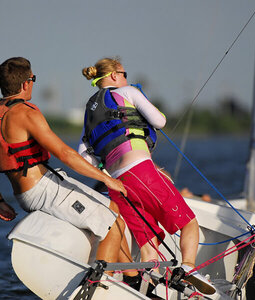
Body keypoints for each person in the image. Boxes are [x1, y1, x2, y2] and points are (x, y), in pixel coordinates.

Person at [0, 57, 140, 282]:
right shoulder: (27, 114)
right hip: (43, 190)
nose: (33, 83)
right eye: (33, 79)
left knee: (112, 208)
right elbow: (66, 154)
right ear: (25, 83)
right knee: (113, 225)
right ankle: (101, 287)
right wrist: (107, 180)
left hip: (29, 192)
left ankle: (132, 277)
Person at [78, 57, 215, 295]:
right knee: (189, 223)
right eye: (124, 73)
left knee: (148, 245)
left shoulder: (90, 112)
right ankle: (189, 269)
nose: (127, 79)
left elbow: (84, 157)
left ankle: (148, 288)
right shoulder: (127, 91)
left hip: (116, 185)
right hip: (141, 171)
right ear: (113, 76)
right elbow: (159, 121)